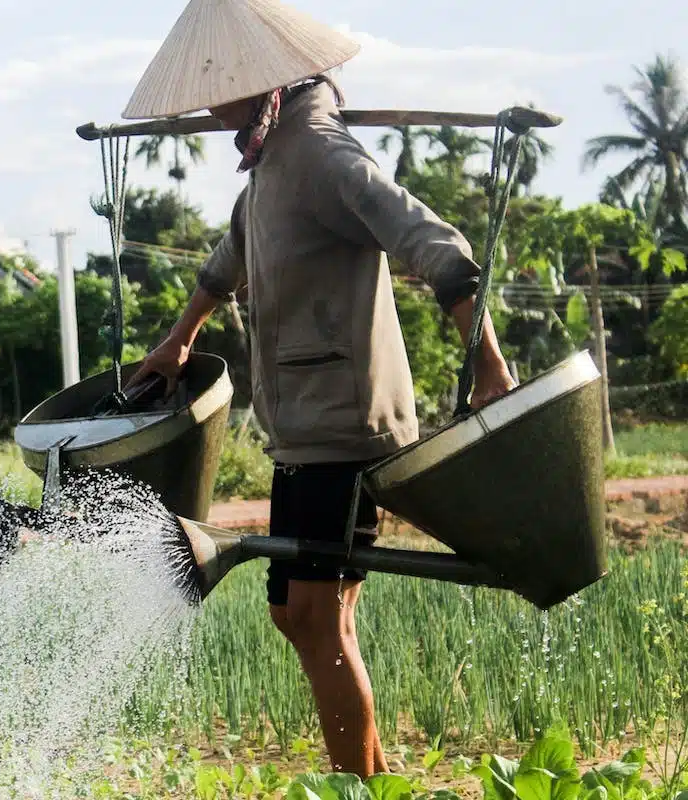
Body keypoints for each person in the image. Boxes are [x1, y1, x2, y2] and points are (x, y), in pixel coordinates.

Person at [122, 0, 517, 778]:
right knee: (298, 613)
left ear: (265, 83)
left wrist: (490, 366)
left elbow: (436, 242)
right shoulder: (273, 160)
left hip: (345, 421)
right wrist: (180, 337)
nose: (211, 104)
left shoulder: (322, 153)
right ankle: (372, 781)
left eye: (222, 87)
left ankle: (359, 789)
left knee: (312, 615)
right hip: (303, 423)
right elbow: (229, 256)